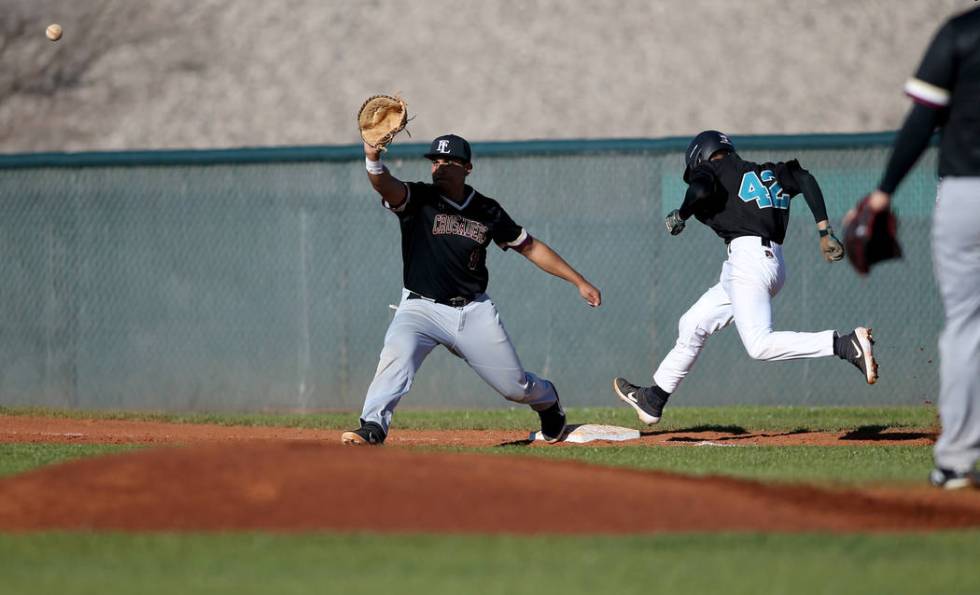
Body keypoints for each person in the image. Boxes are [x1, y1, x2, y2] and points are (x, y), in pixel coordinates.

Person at [342, 133, 602, 445]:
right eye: (435, 161)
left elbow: (530, 247)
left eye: (447, 161)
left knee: (514, 387)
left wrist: (579, 281)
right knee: (398, 352)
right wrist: (373, 158)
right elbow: (386, 185)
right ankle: (373, 426)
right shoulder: (419, 198)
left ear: (467, 167)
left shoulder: (486, 209)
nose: (438, 166)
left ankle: (547, 400)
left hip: (472, 310)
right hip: (419, 308)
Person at [613, 130, 877, 424]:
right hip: (766, 263)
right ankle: (654, 399)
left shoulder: (712, 168)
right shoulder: (766, 172)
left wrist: (681, 215)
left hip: (748, 262)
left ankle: (843, 344)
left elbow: (699, 191)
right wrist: (824, 230)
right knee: (693, 323)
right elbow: (805, 178)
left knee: (759, 345)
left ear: (701, 156)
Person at [846, 6, 980, 489]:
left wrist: (883, 193)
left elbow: (922, 120)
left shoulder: (961, 31)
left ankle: (956, 463)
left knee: (966, 330)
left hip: (965, 193)